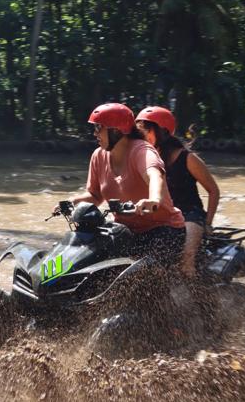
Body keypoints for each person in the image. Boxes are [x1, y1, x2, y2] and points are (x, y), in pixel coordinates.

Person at [64, 103, 185, 263]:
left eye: (99, 127)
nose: (95, 133)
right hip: (125, 231)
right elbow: (95, 195)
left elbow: (155, 175)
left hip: (163, 230)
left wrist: (154, 199)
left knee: (138, 274)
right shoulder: (98, 156)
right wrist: (72, 201)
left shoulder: (142, 150)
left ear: (116, 130)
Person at [135, 106, 220, 277]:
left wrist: (208, 224)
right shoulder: (142, 158)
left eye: (145, 132)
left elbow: (213, 191)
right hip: (162, 215)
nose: (140, 138)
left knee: (186, 263)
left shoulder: (188, 158)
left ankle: (196, 296)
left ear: (161, 132)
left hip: (190, 215)